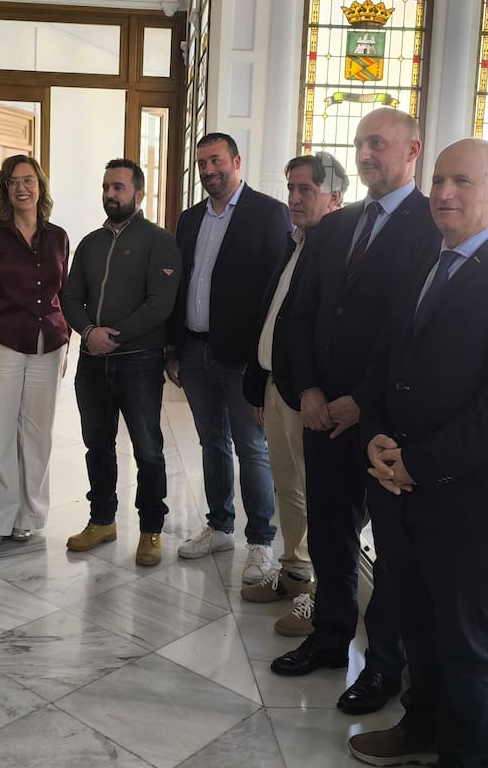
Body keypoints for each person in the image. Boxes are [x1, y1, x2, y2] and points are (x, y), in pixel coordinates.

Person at [348, 138, 488, 768]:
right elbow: (386, 363)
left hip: (473, 502)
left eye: (463, 182)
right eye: (439, 180)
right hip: (399, 488)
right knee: (415, 621)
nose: (444, 193)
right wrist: (376, 438)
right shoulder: (423, 260)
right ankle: (421, 727)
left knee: (468, 645)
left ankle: (468, 766)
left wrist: (418, 463)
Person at [272, 108, 438, 721]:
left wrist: (362, 400)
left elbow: (412, 329)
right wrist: (309, 391)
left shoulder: (432, 225)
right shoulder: (335, 227)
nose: (366, 153)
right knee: (331, 532)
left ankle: (383, 668)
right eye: (361, 143)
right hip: (321, 415)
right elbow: (302, 315)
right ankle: (329, 636)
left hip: (384, 422)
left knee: (392, 550)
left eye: (379, 143)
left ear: (412, 149)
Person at [167, 132, 291, 584]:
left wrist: (264, 364)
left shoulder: (268, 214)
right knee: (211, 442)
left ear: (236, 161)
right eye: (201, 163)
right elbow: (181, 285)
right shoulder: (190, 218)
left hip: (242, 359)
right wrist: (173, 347)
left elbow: (277, 291)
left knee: (252, 448)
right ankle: (219, 526)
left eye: (215, 160)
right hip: (195, 351)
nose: (208, 171)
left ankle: (260, 541)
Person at [239, 152, 346, 618]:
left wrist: (307, 388)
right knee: (288, 487)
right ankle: (294, 570)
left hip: (310, 395)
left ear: (335, 198)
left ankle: (322, 594)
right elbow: (276, 316)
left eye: (306, 190)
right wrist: (263, 382)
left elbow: (326, 331)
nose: (295, 198)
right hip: (279, 387)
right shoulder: (296, 241)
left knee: (318, 494)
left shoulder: (336, 250)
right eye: (292, 189)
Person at [62, 158, 181, 566]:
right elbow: (69, 297)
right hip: (92, 362)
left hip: (138, 362)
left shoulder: (158, 240)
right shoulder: (91, 243)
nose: (111, 194)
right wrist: (88, 332)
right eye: (106, 187)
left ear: (139, 194)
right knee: (97, 445)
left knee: (148, 449)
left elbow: (160, 303)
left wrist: (115, 334)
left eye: (119, 188)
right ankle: (102, 520)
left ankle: (151, 530)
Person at [0, 155, 70, 545]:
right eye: (13, 182)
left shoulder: (58, 237)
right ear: (5, 190)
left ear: (40, 186)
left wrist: (67, 339)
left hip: (49, 345)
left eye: (28, 180)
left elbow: (65, 293)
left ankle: (29, 514)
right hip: (2, 343)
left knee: (37, 435)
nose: (21, 188)